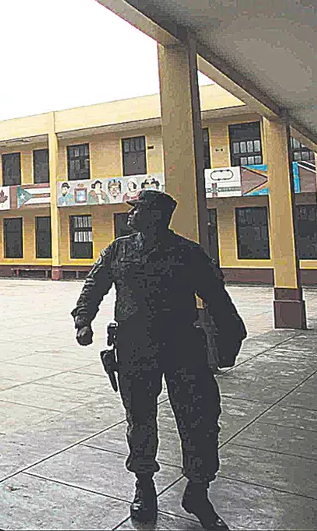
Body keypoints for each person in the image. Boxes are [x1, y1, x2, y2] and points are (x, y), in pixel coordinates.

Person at [71, 190, 245, 531]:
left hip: (183, 347)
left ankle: (198, 491)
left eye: (136, 209)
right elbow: (95, 283)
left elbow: (217, 298)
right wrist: (83, 319)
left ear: (155, 215)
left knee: (199, 420)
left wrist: (230, 337)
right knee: (140, 420)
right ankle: (144, 485)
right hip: (135, 348)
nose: (130, 214)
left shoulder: (187, 252)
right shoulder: (119, 249)